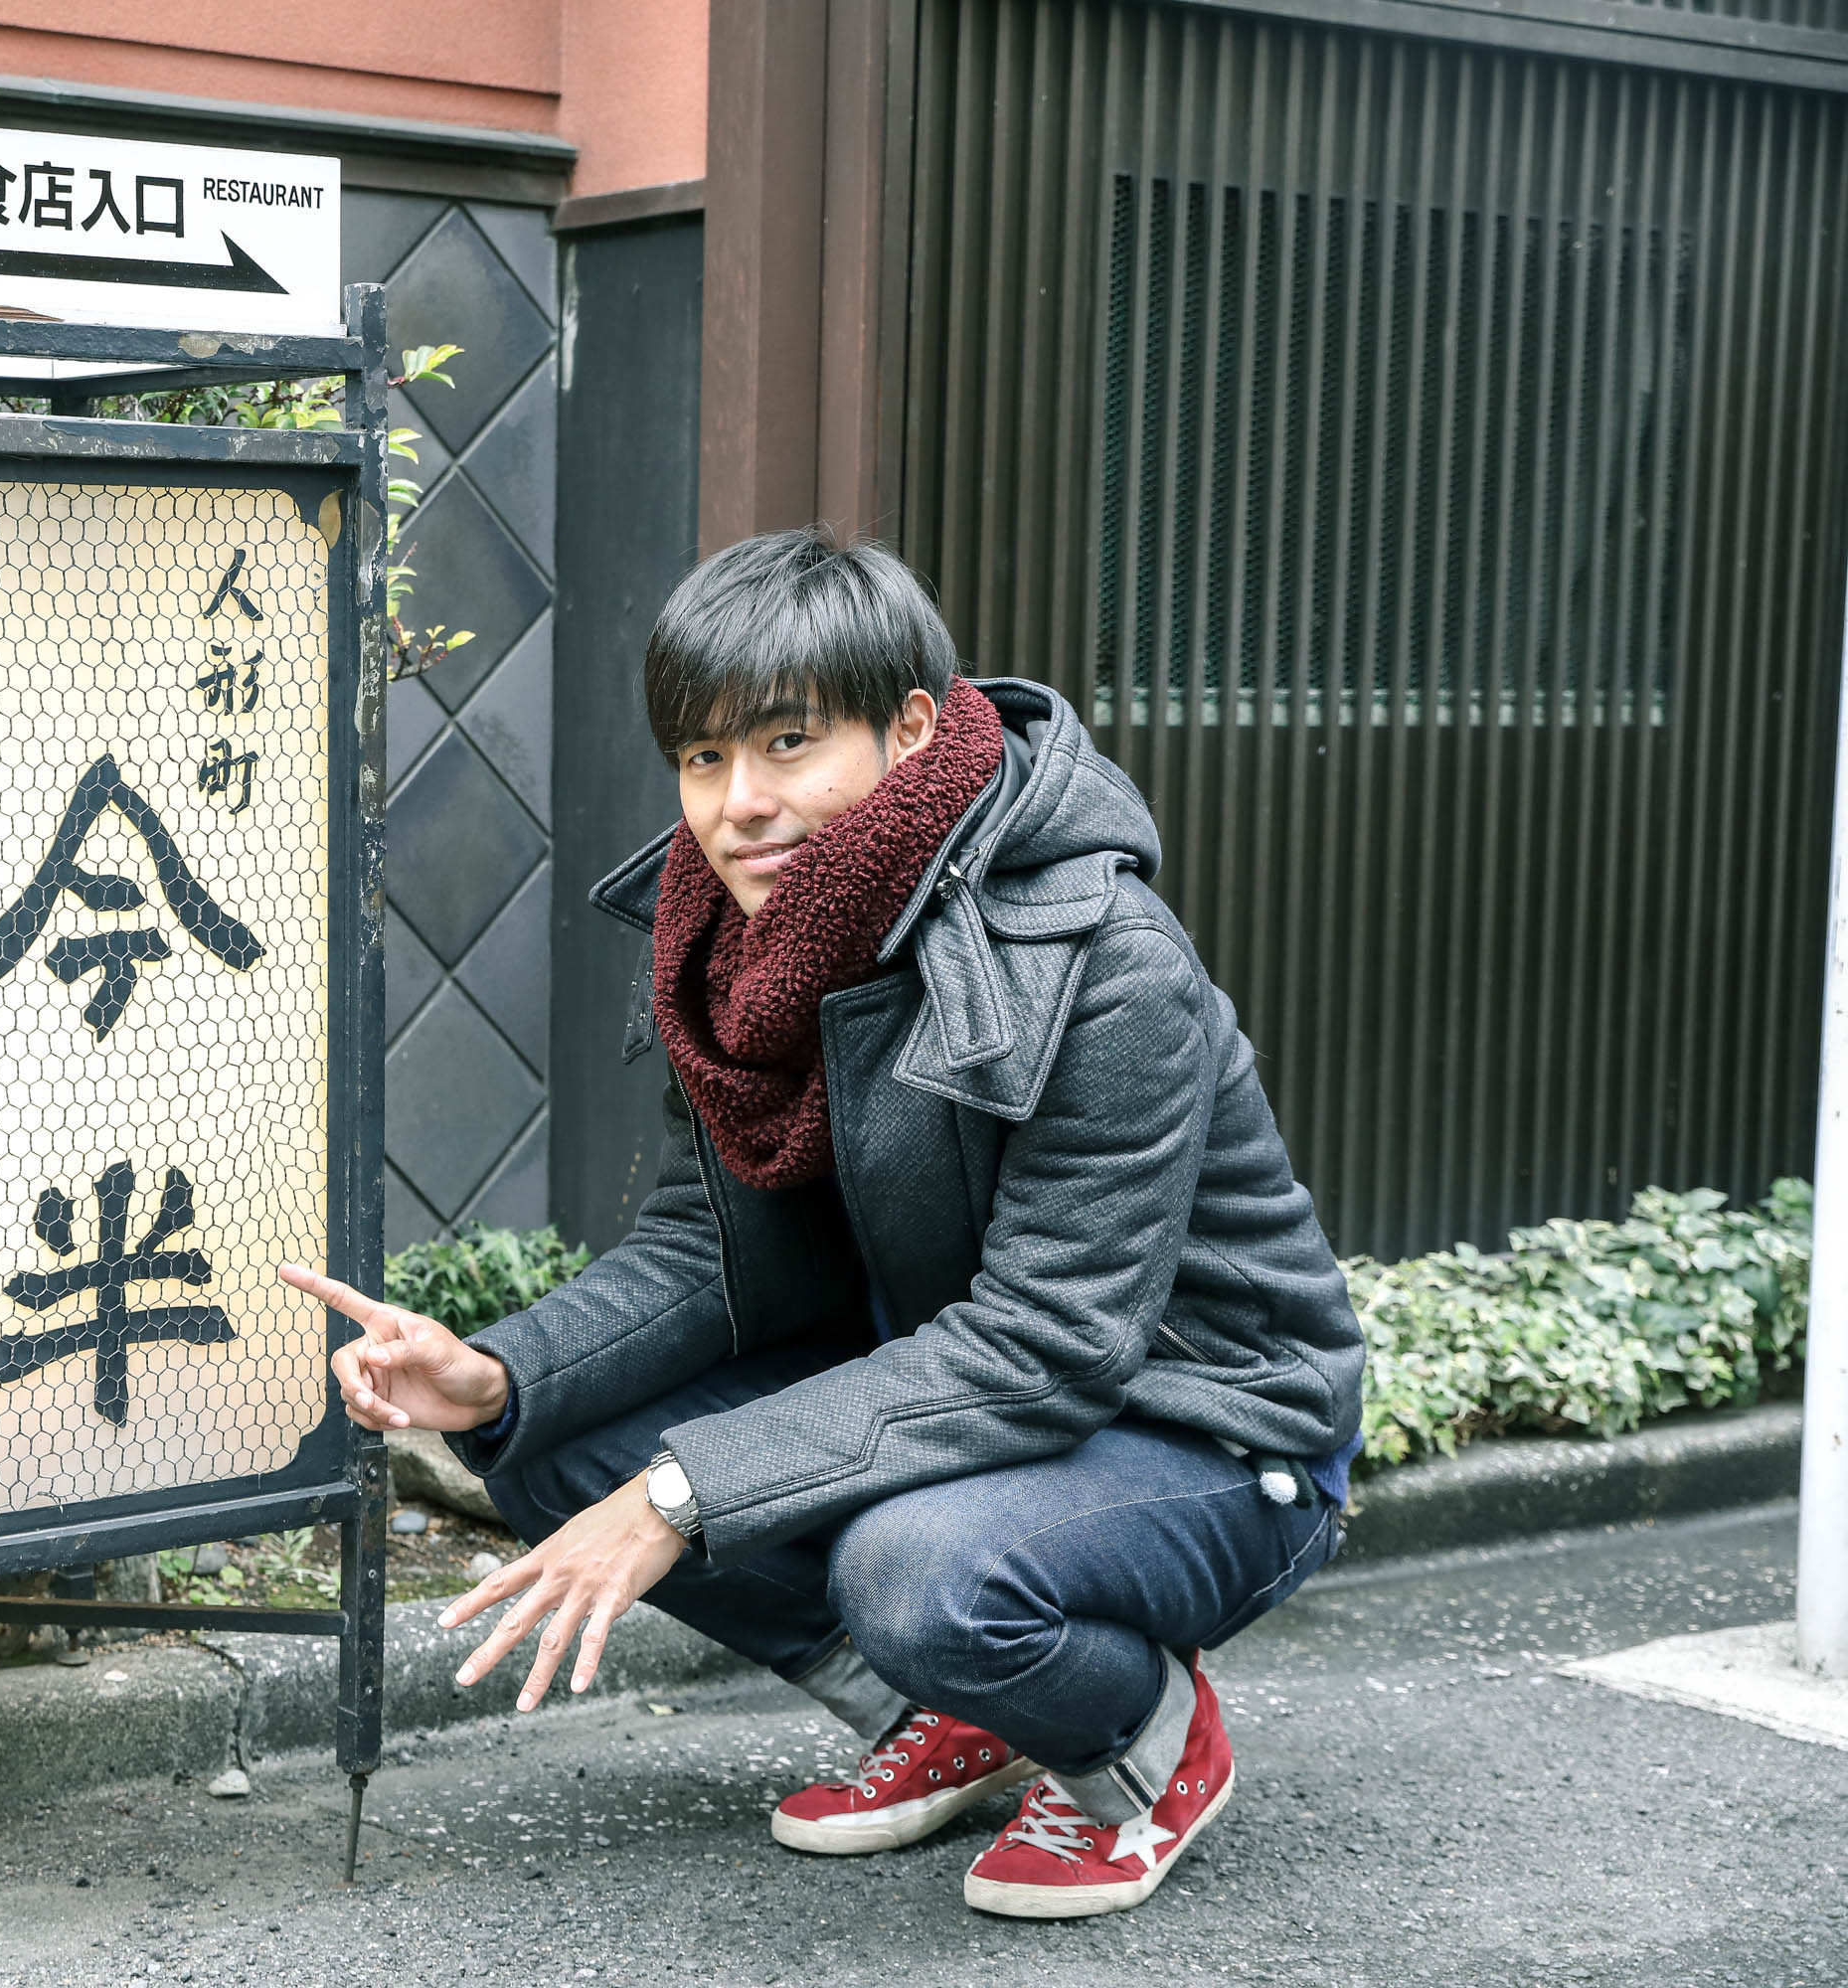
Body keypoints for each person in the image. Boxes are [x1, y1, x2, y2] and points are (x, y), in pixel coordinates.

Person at [283, 529, 1364, 1920]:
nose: (741, 805)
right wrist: (497, 1375)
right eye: (704, 760)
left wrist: (681, 1498)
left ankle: (1141, 1743)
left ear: (910, 730)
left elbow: (1049, 1346)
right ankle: (966, 1714)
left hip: (1209, 1428)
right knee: (550, 1436)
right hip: (969, 1394)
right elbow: (710, 1254)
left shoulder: (1104, 961)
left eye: (789, 745)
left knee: (915, 1569)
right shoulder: (738, 953)